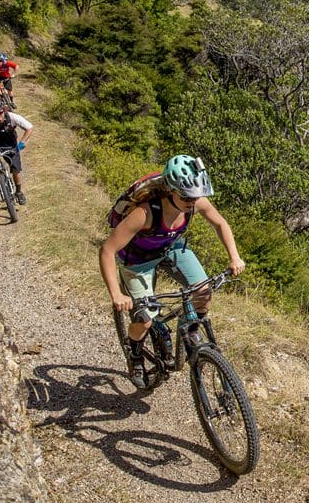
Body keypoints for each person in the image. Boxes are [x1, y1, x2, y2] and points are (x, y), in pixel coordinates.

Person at [98, 154, 246, 389]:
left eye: (196, 196)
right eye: (186, 196)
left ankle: (191, 333)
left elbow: (220, 223)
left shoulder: (193, 201)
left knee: (203, 292)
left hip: (171, 247)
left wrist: (234, 256)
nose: (192, 202)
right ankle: (134, 352)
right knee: (145, 320)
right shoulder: (144, 214)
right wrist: (116, 295)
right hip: (138, 260)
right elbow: (107, 250)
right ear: (170, 189)